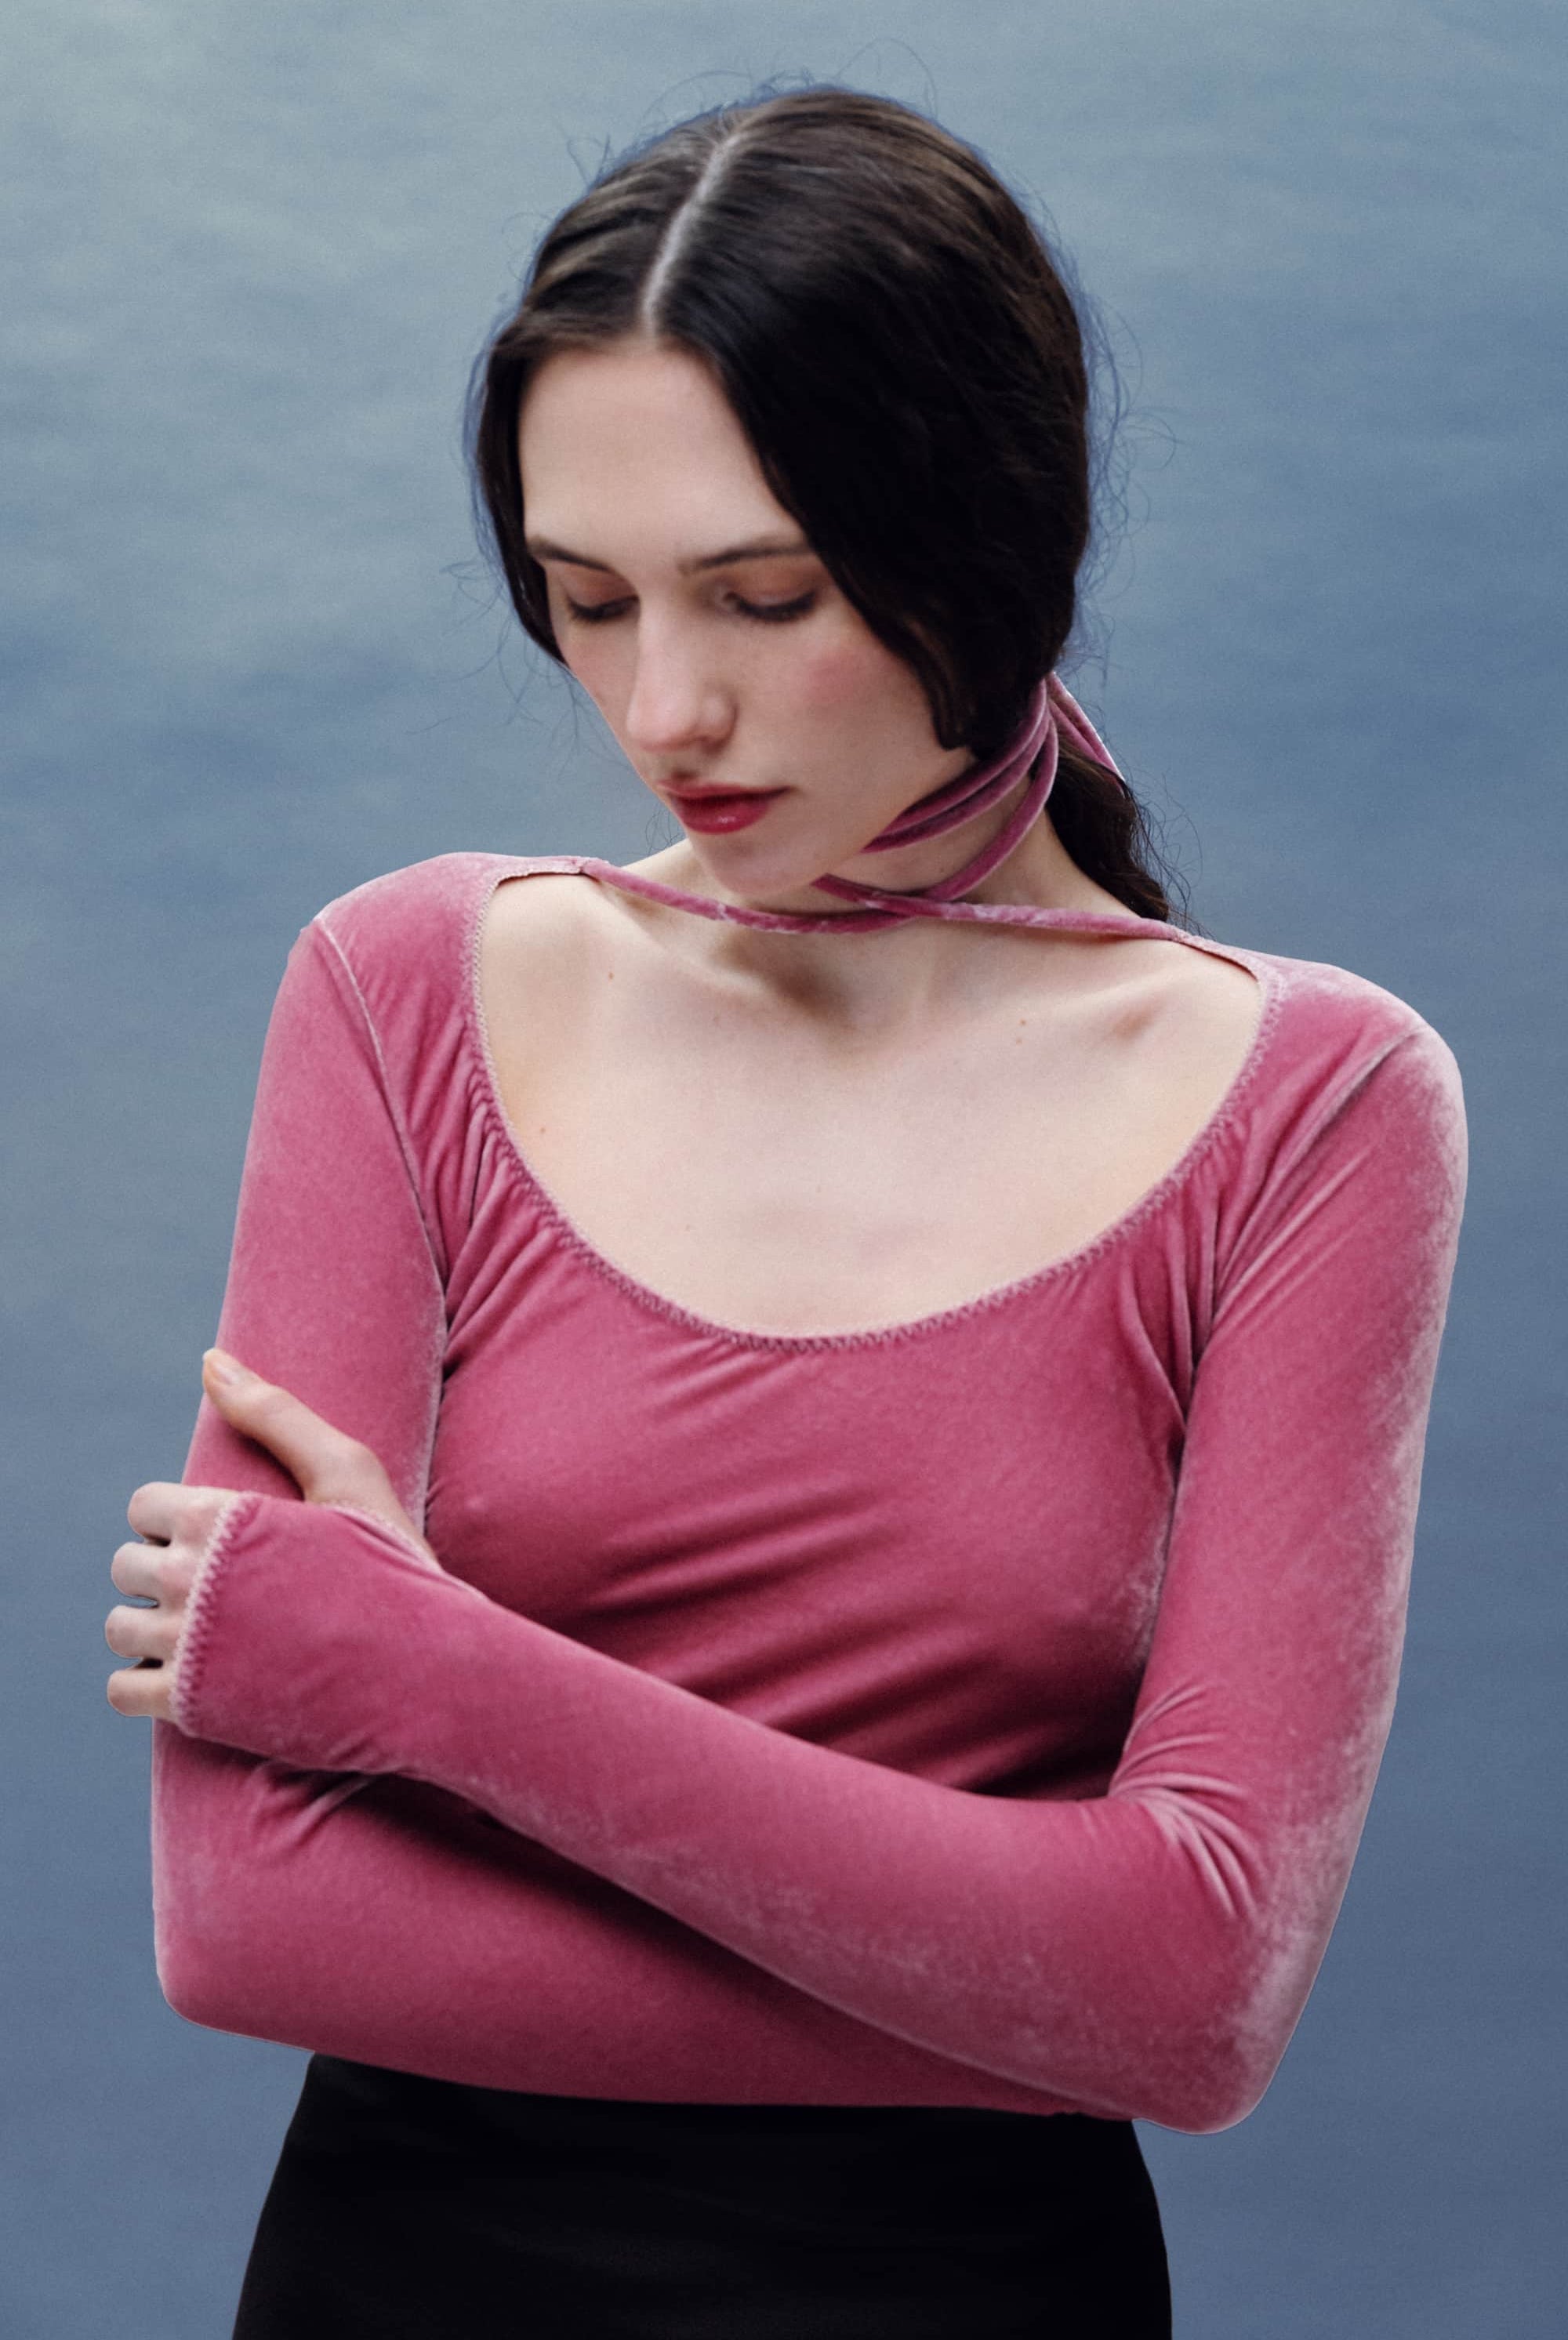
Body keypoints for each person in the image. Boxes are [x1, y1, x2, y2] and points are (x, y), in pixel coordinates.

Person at [103, 85, 1468, 2340]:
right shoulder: (405, 987)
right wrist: (1031, 1993)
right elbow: (248, 1922)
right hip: (403, 2278)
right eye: (585, 598)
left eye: (766, 596)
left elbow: (1201, 1985)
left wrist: (430, 1675)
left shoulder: (1314, 1103)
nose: (665, 705)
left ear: (981, 537)